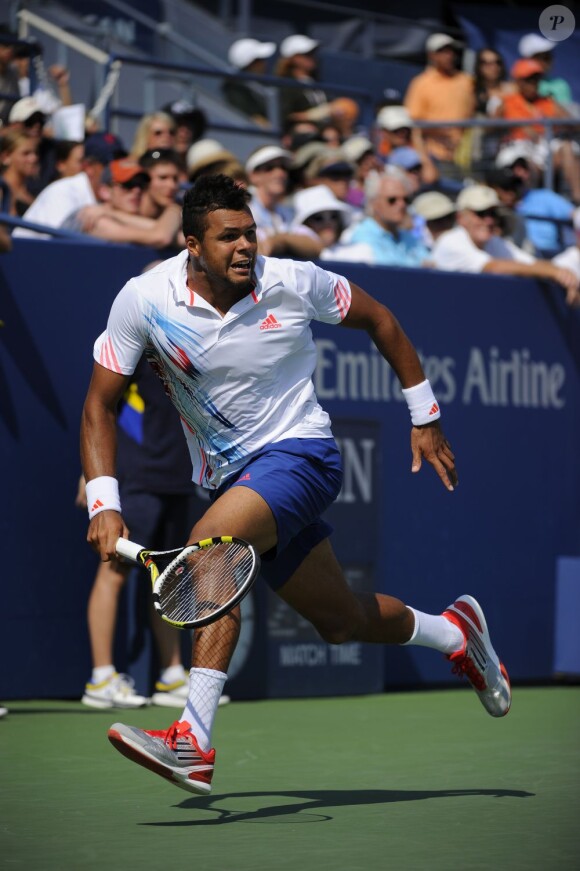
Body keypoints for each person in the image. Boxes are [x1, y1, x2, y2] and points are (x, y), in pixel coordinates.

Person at [80, 173, 511, 795]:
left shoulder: (292, 281)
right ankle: (454, 632)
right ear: (192, 245)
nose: (245, 247)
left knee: (210, 545)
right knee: (341, 621)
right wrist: (104, 502)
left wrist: (427, 416)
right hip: (234, 478)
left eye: (250, 233)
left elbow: (381, 321)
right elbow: (99, 405)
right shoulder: (144, 300)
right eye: (229, 237)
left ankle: (193, 741)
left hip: (302, 455)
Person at [79, 354, 229, 709]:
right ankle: (101, 678)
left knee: (168, 577)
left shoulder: (196, 345)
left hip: (178, 477)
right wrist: (91, 475)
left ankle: (172, 674)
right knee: (113, 570)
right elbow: (100, 405)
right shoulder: (140, 342)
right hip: (138, 476)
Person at [430, 184, 580, 305]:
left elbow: (532, 264)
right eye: (481, 213)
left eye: (493, 214)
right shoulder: (451, 241)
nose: (489, 220)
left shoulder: (494, 242)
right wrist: (556, 273)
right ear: (461, 218)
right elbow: (493, 267)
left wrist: (565, 277)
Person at [495, 60, 580, 204]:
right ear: (519, 82)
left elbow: (573, 124)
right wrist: (520, 126)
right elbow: (490, 126)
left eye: (536, 79)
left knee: (566, 147)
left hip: (545, 148)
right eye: (529, 80)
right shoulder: (507, 101)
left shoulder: (548, 102)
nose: (534, 83)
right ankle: (527, 202)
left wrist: (555, 125)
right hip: (520, 148)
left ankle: (578, 199)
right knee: (525, 165)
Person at [12, 131, 124, 238]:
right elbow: (60, 245)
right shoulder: (63, 192)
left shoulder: (112, 195)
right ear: (89, 168)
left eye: (121, 164)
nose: (116, 170)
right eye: (109, 165)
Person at [404, 33, 475, 173]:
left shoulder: (466, 81)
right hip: (435, 156)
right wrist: (426, 161)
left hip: (465, 156)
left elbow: (471, 115)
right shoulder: (421, 84)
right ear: (431, 55)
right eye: (442, 51)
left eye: (450, 51)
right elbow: (414, 124)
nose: (448, 55)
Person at [245, 144, 322, 258]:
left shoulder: (286, 213)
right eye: (270, 168)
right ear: (253, 176)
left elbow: (316, 246)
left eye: (284, 168)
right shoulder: (242, 207)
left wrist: (280, 240)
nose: (280, 173)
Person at [348, 168, 430, 267]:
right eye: (392, 200)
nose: (401, 204)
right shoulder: (362, 236)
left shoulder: (410, 238)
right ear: (374, 203)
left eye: (406, 199)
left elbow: (431, 266)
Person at [290, 183, 374, 262]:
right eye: (318, 218)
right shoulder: (294, 258)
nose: (328, 223)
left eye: (333, 216)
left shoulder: (360, 251)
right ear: (305, 225)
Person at [222, 38, 277, 127]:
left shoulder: (254, 86)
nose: (264, 63)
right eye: (259, 60)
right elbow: (253, 118)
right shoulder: (235, 89)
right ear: (250, 63)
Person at [518, 33, 573, 106]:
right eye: (544, 57)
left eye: (549, 56)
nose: (548, 61)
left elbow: (566, 115)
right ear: (528, 59)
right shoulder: (514, 86)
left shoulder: (560, 85)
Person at [0, 129, 39, 216]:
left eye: (35, 153)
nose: (34, 158)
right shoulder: (2, 190)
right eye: (26, 153)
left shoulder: (33, 194)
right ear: (6, 157)